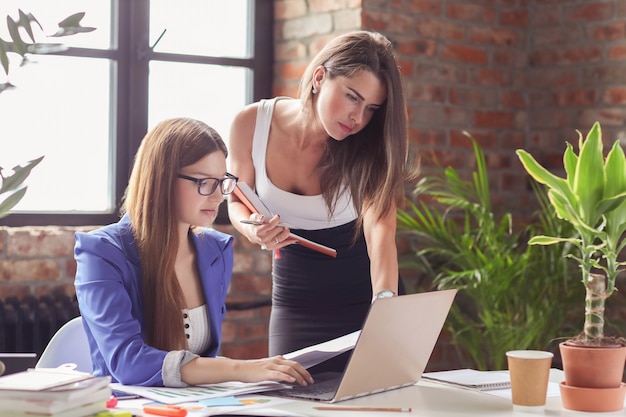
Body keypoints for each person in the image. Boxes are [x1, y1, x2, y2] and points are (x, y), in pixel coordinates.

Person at [74, 118, 313, 388]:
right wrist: (240, 369)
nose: (216, 197)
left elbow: (201, 361)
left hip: (196, 405)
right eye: (204, 182)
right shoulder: (102, 252)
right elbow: (128, 364)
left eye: (221, 183)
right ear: (161, 179)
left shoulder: (216, 250)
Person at [227, 30, 410, 368]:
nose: (359, 118)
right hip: (296, 301)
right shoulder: (250, 123)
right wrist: (253, 229)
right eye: (352, 97)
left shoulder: (368, 149)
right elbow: (237, 199)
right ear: (320, 77)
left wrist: (385, 308)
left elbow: (381, 234)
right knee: (288, 399)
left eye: (371, 108)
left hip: (367, 296)